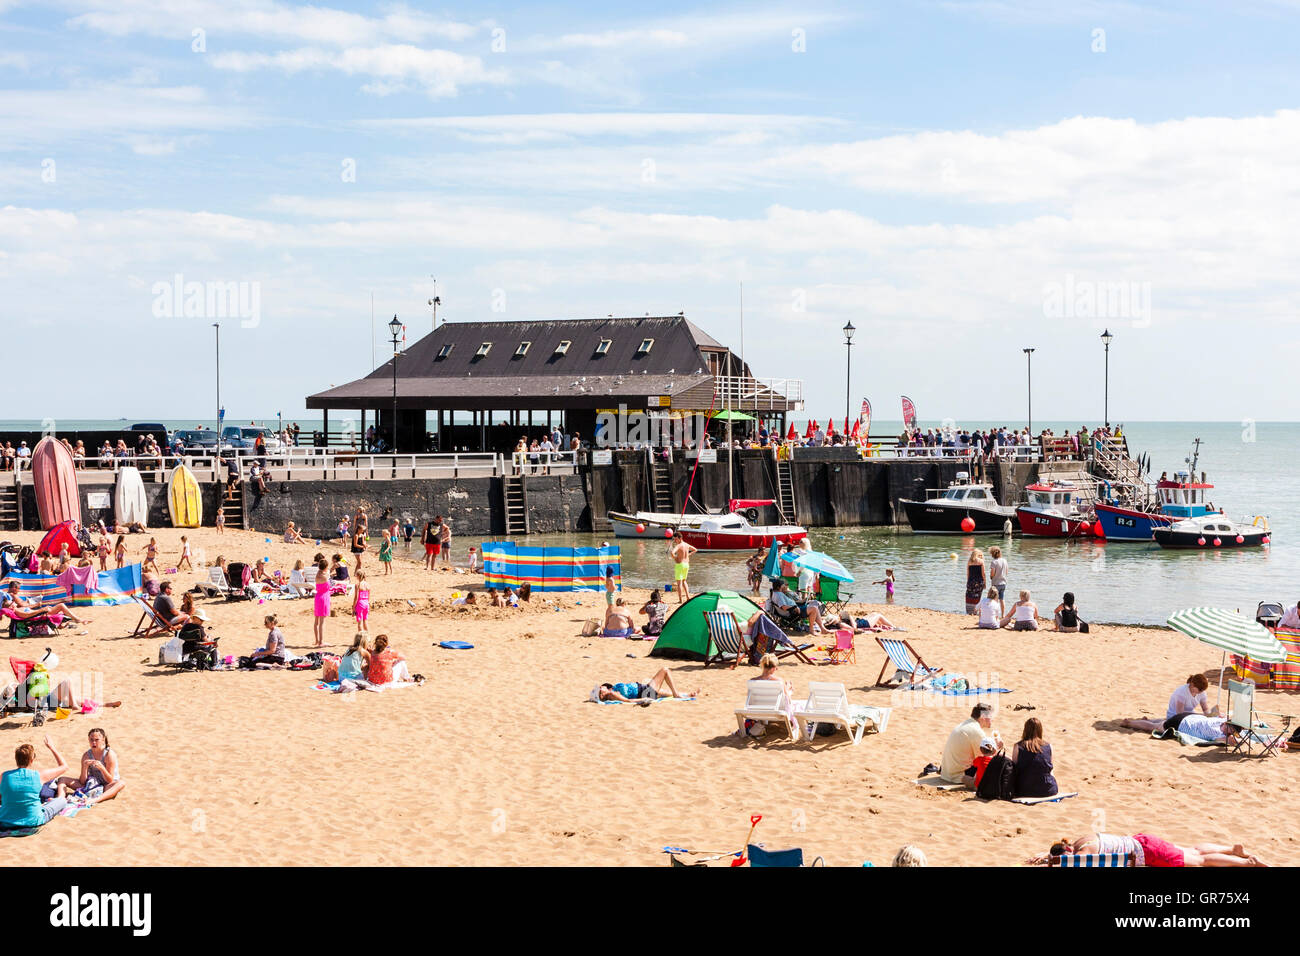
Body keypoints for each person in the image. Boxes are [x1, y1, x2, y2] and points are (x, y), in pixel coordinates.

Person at [1029, 832, 1267, 867]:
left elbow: (1072, 863)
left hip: (1147, 853)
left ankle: (1246, 863)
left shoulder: (1081, 855)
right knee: (1191, 849)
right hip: (1141, 839)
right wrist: (1048, 854)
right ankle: (1231, 849)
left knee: (1199, 862)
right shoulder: (1081, 839)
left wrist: (1050, 861)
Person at [0, 736, 68, 830]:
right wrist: (52, 747)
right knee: (62, 800)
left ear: (16, 759)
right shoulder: (38, 775)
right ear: (31, 760)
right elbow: (64, 767)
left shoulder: (4, 776)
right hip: (33, 820)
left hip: (6, 821)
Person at [55, 728, 124, 805]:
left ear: (103, 740)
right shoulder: (87, 755)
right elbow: (82, 781)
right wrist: (85, 767)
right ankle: (60, 799)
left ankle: (95, 800)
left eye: (97, 740)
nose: (94, 742)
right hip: (91, 785)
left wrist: (102, 768)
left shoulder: (109, 755)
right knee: (62, 779)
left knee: (121, 783)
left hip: (106, 786)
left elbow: (109, 780)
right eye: (91, 740)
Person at [939, 703, 1002, 787]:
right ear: (983, 717)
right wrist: (998, 747)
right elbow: (985, 758)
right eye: (991, 717)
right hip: (958, 776)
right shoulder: (976, 731)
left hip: (947, 773)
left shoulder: (967, 724)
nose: (992, 720)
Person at [1119, 712, 1248, 746]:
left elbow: (1228, 716)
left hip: (1188, 716)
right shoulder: (1218, 734)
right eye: (1232, 731)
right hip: (1182, 724)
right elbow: (1228, 742)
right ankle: (1129, 723)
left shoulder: (1221, 720)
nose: (1230, 733)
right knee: (1154, 728)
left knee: (1161, 722)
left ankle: (1145, 720)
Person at [1010, 717, 1058, 798]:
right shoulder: (1049, 746)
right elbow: (1050, 768)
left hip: (1024, 790)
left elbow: (1014, 769)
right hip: (1048, 789)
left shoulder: (1018, 746)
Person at [592, 668, 698, 704]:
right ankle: (676, 694)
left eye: (600, 688)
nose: (601, 690)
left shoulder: (613, 689)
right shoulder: (611, 694)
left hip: (643, 688)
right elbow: (627, 701)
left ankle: (687, 694)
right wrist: (644, 699)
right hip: (644, 692)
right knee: (665, 670)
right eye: (600, 693)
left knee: (661, 692)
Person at [2, 581, 89, 624]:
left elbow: (24, 607)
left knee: (60, 606)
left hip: (38, 612)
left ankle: (73, 620)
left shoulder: (16, 607)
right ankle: (77, 619)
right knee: (61, 605)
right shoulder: (14, 599)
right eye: (18, 588)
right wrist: (40, 608)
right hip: (39, 614)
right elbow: (27, 613)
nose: (19, 590)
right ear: (14, 588)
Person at [670, 533, 698, 603]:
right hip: (686, 564)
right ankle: (688, 597)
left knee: (679, 583)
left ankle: (680, 600)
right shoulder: (686, 545)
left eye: (676, 539)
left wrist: (675, 558)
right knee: (684, 581)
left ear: (680, 538)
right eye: (674, 539)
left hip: (680, 565)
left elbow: (672, 552)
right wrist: (688, 554)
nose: (675, 541)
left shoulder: (679, 545)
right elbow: (695, 549)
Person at [312, 558, 330, 647]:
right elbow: (327, 578)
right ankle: (321, 641)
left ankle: (316, 640)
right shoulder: (325, 577)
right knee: (322, 622)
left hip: (318, 597)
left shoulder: (318, 574)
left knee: (316, 621)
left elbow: (324, 572)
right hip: (323, 598)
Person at [964, 548, 985, 615]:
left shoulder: (969, 561)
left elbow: (968, 573)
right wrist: (985, 582)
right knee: (977, 596)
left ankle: (969, 611)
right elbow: (983, 574)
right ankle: (975, 611)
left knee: (969, 596)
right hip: (979, 582)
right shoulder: (981, 561)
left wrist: (968, 581)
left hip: (971, 581)